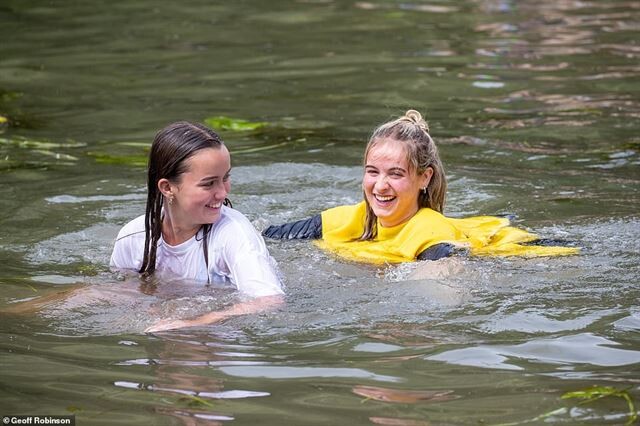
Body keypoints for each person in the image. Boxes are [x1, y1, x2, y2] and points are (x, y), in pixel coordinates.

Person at [263, 109, 578, 265]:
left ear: (424, 178)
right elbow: (264, 238)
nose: (380, 186)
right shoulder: (349, 219)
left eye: (396, 174)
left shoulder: (430, 235)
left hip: (529, 253)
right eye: (373, 172)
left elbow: (447, 288)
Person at [111, 121, 284, 332]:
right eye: (209, 183)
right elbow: (122, 291)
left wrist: (194, 324)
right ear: (167, 187)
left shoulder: (234, 233)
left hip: (219, 342)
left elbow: (269, 300)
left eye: (225, 178)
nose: (223, 193)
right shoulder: (133, 237)